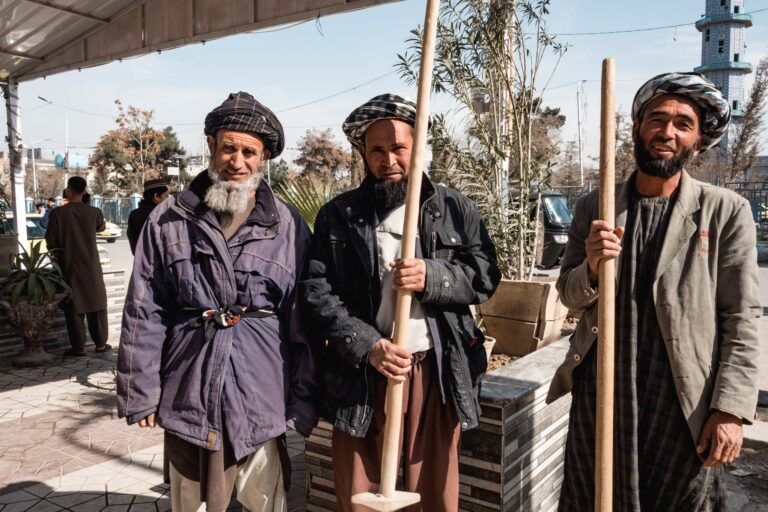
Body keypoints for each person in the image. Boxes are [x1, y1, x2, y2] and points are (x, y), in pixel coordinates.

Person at [549, 72, 761, 511]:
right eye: (657, 119)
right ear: (636, 128)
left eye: (683, 123)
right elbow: (568, 295)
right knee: (594, 498)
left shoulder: (724, 212)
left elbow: (742, 317)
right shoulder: (596, 206)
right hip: (604, 391)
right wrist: (590, 266)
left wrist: (730, 410)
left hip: (682, 399)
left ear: (699, 141)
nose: (667, 132)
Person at [116, 92, 317, 512]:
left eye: (249, 151)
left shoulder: (287, 225)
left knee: (264, 497)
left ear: (263, 159)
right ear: (211, 145)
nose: (237, 161)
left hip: (261, 384)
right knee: (189, 497)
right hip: (189, 381)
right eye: (229, 147)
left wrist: (302, 400)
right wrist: (142, 391)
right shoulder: (169, 218)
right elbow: (144, 309)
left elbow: (304, 320)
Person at [300, 94, 501, 511]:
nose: (388, 159)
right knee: (360, 492)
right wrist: (367, 345)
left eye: (398, 148)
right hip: (361, 375)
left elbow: (485, 275)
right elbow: (316, 292)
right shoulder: (339, 215)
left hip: (433, 372)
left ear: (418, 147)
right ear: (362, 153)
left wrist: (435, 276)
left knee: (431, 492)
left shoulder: (453, 209)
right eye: (376, 150)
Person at [44, 177, 110, 356]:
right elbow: (101, 227)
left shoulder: (58, 214)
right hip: (92, 266)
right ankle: (101, 345)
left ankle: (79, 348)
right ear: (85, 190)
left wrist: (57, 257)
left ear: (69, 190)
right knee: (97, 303)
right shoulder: (94, 212)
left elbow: (50, 242)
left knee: (74, 306)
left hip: (69, 266)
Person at [127, 177, 171, 254]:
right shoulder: (162, 215)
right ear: (156, 196)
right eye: (166, 195)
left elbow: (134, 245)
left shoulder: (134, 215)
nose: (168, 198)